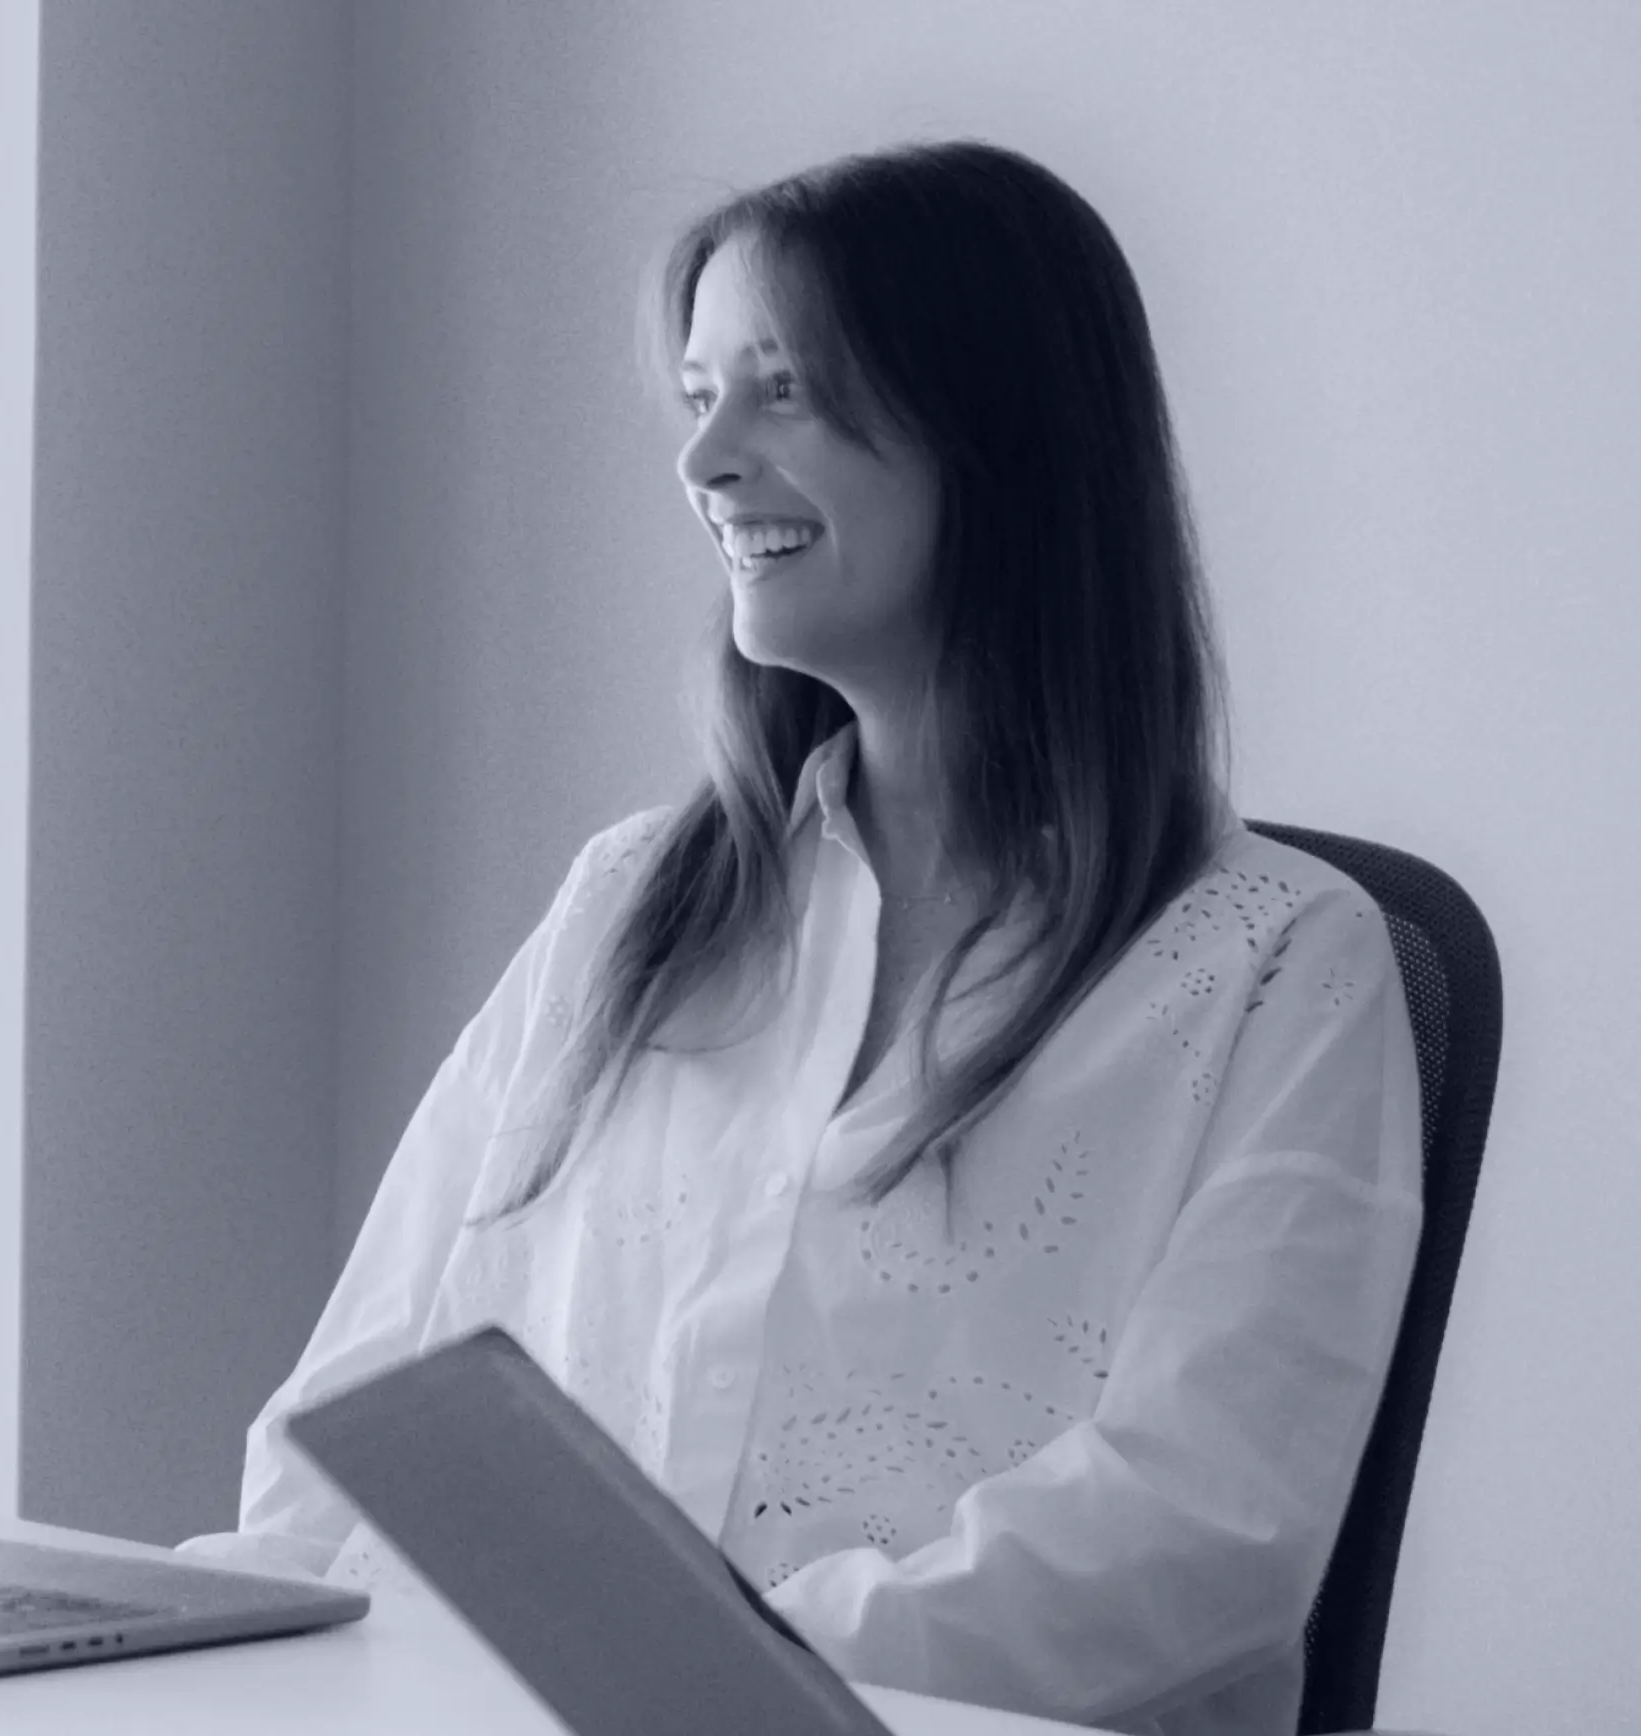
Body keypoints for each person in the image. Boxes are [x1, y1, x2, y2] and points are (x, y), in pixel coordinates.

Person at [175, 137, 1421, 1736]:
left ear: (1004, 438)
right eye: (696, 395)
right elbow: (354, 1420)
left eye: (783, 391)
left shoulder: (1280, 964)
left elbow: (1197, 1544)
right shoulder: (633, 904)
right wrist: (213, 1660)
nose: (705, 460)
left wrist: (700, 1680)